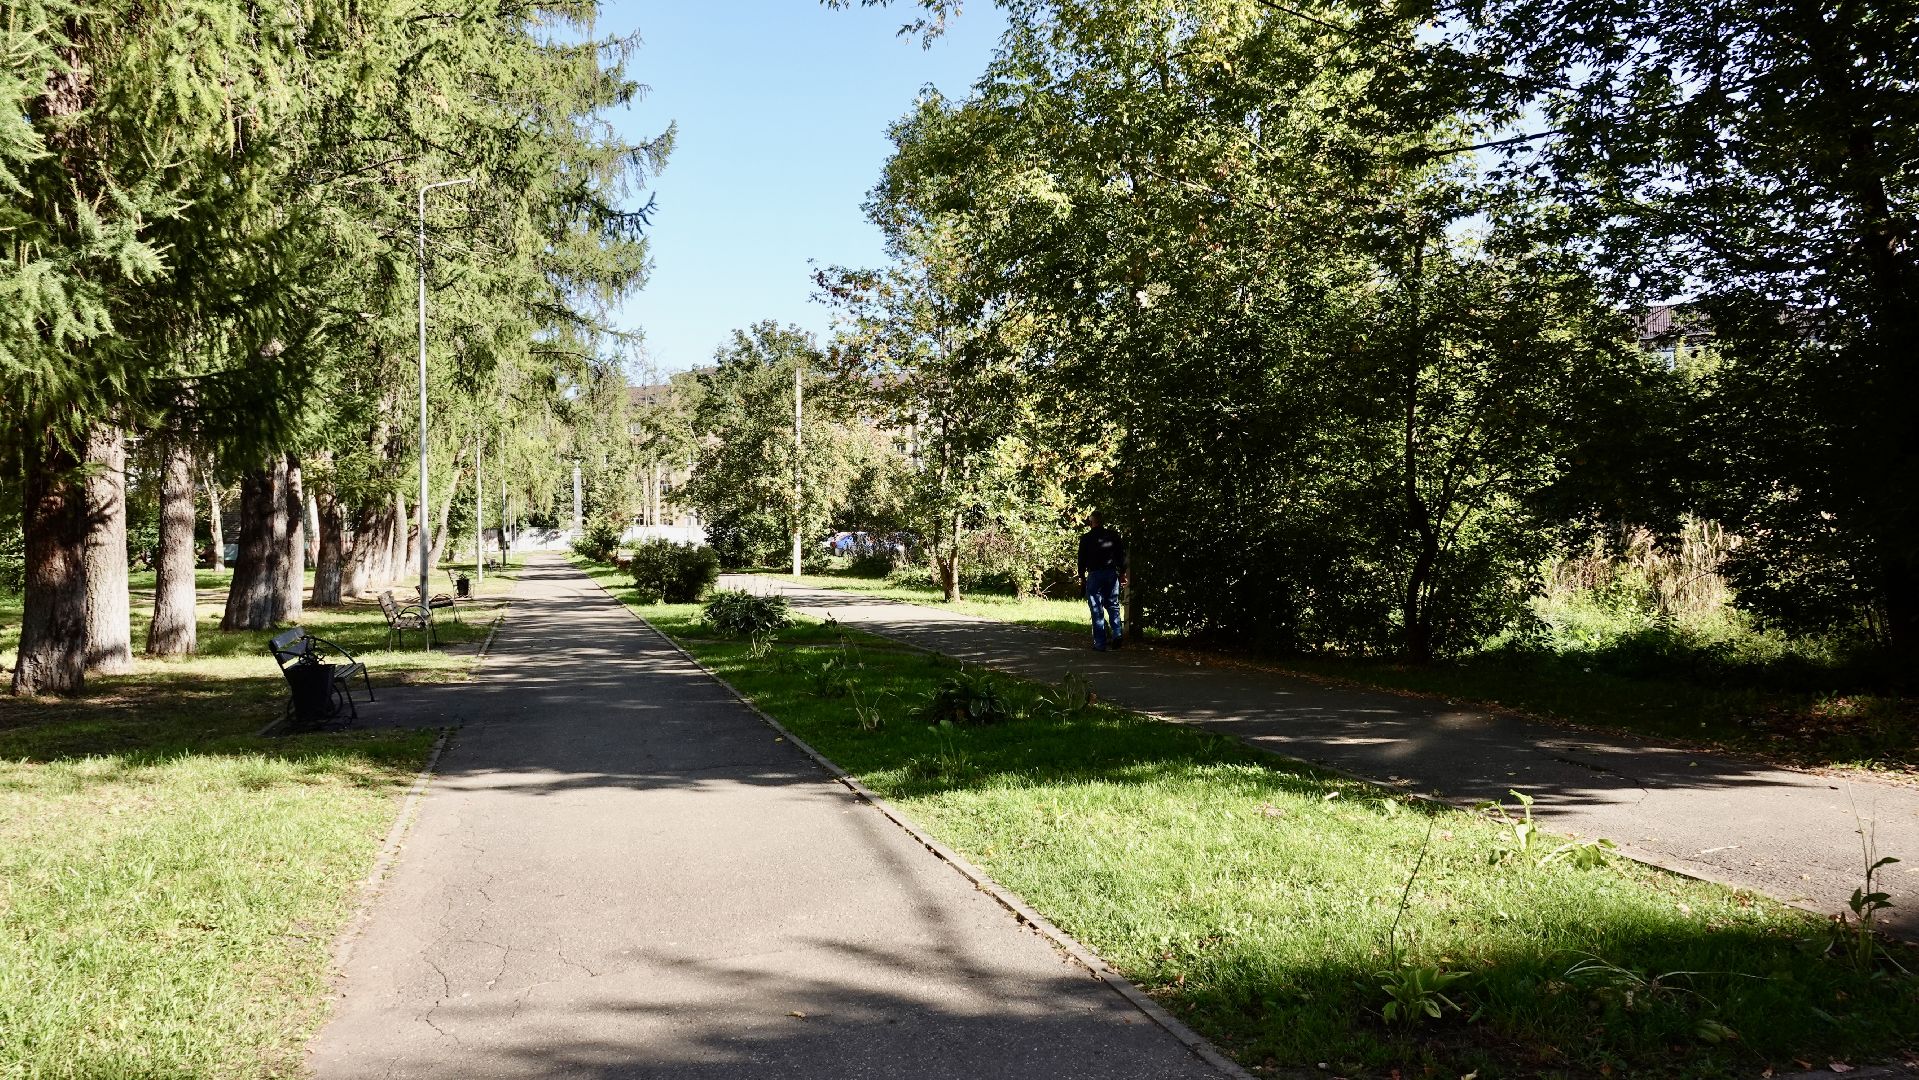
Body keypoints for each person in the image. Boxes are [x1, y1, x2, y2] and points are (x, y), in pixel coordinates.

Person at [1077, 511, 1127, 651]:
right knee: (1113, 605)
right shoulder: (1113, 535)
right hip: (1111, 573)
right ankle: (1117, 633)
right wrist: (1122, 573)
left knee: (1096, 608)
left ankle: (1100, 643)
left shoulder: (1086, 538)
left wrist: (1082, 576)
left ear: (1091, 522)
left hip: (1094, 574)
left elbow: (1081, 559)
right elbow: (1121, 556)